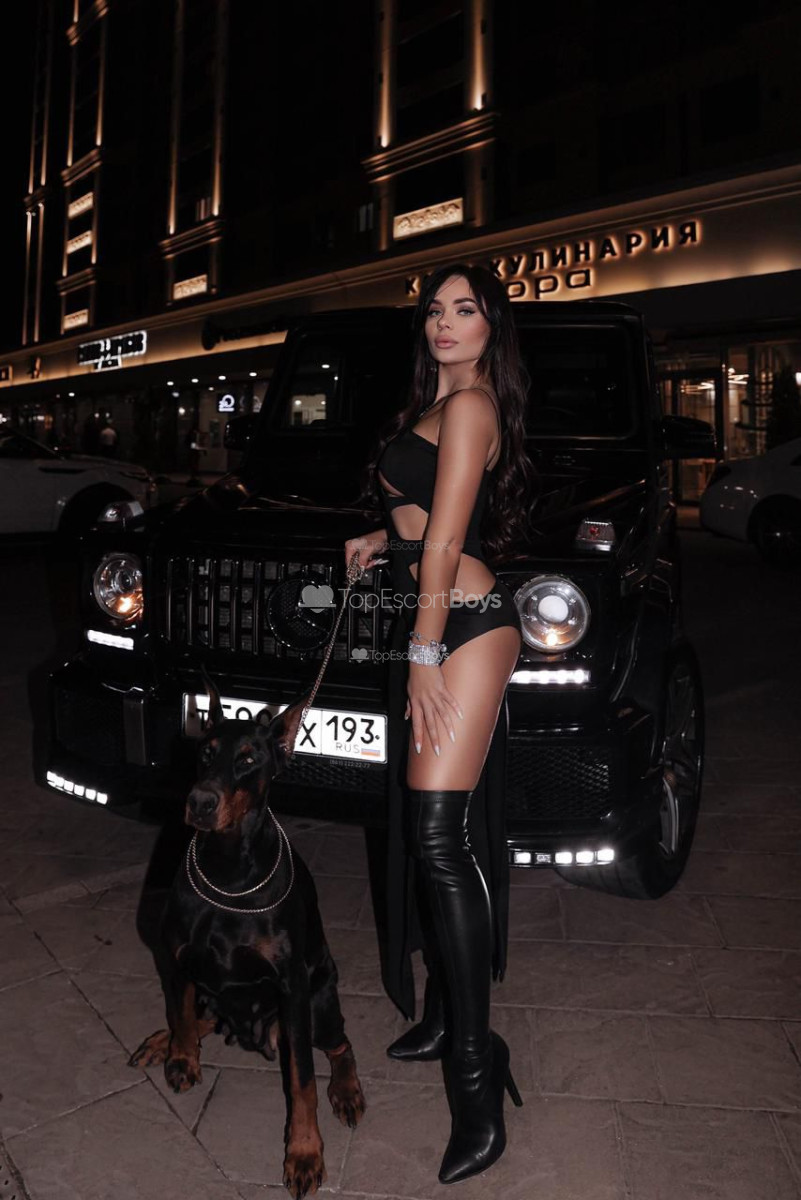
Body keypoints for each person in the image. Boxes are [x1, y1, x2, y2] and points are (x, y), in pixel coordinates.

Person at [345, 263, 536, 1184]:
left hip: (461, 628)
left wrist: (422, 652)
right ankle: (439, 1010)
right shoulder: (439, 404)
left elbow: (453, 541)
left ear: (493, 325)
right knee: (426, 835)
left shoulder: (472, 406)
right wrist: (380, 537)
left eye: (464, 309)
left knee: (435, 837)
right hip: (433, 617)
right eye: (433, 310)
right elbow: (427, 522)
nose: (443, 323)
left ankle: (475, 1072)